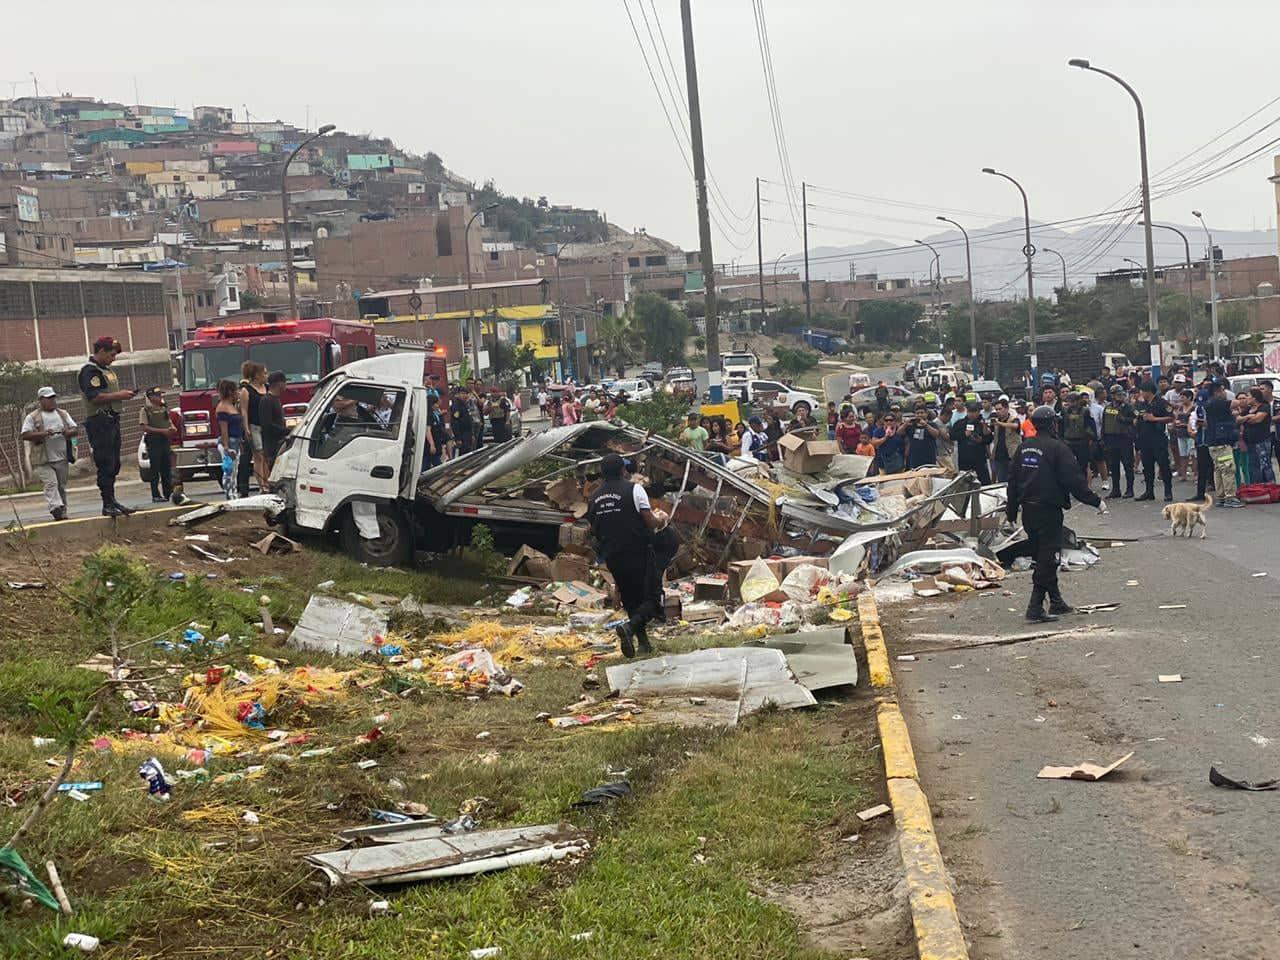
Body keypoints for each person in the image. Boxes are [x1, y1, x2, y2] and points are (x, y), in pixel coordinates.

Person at [1006, 405, 1106, 623]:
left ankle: (1057, 601)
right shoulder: (1058, 448)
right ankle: (1035, 607)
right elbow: (1074, 481)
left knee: (1043, 554)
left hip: (1029, 513)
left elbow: (1012, 482)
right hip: (1048, 512)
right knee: (1047, 559)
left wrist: (1011, 512)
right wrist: (1096, 501)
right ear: (1053, 424)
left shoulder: (1023, 449)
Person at [587, 454, 669, 657]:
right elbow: (649, 521)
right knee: (653, 598)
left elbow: (594, 530)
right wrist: (662, 520)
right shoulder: (634, 489)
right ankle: (630, 628)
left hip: (613, 554)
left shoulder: (594, 498)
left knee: (631, 599)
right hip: (638, 550)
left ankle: (643, 644)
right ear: (622, 471)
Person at [78, 336, 136, 517]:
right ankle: (107, 503)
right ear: (101, 351)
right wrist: (120, 395)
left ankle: (112, 500)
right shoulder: (90, 372)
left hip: (112, 420)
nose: (114, 358)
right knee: (105, 463)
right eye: (111, 354)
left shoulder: (106, 370)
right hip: (100, 422)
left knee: (114, 463)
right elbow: (95, 397)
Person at [21, 386, 77, 521]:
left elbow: (74, 429)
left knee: (61, 486)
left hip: (62, 456)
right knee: (51, 483)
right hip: (43, 459)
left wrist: (67, 432)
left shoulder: (62, 413)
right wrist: (44, 434)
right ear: (41, 400)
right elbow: (25, 434)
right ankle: (55, 507)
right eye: (49, 398)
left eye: (53, 398)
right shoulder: (33, 417)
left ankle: (62, 511)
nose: (52, 401)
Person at [1204, 379, 1244, 507]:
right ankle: (1230, 497)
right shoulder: (1216, 402)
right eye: (1223, 390)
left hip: (1215, 442)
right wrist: (1248, 400)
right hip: (1221, 442)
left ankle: (1221, 496)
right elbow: (1237, 403)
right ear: (1217, 392)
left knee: (1219, 469)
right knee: (1228, 468)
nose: (1225, 393)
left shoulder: (1211, 403)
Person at [1133, 381, 1174, 501]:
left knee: (1163, 465)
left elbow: (1171, 417)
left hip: (1158, 437)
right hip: (1144, 438)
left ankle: (1168, 491)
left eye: (1142, 391)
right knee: (1147, 466)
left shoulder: (1161, 403)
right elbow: (1136, 416)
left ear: (1148, 391)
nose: (1141, 393)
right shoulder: (1141, 404)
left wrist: (1154, 419)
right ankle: (1149, 491)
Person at [139, 387, 178, 503]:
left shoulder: (163, 408)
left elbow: (168, 421)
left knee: (166, 467)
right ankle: (155, 494)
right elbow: (144, 427)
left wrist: (172, 428)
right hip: (153, 440)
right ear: (150, 397)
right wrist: (162, 431)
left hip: (164, 439)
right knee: (155, 468)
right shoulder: (145, 410)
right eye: (157, 395)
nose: (160, 397)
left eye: (160, 395)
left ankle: (168, 492)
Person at [1100, 384, 1136, 499]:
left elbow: (1135, 421)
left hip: (1124, 439)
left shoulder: (1128, 407)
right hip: (1111, 439)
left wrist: (1124, 419)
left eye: (1121, 394)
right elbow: (1104, 423)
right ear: (1112, 396)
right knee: (1113, 466)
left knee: (1127, 465)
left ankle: (1130, 490)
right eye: (1117, 394)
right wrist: (1103, 438)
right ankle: (1116, 490)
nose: (1120, 396)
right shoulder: (1108, 408)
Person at [238, 361, 268, 495]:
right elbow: (243, 410)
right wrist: (246, 428)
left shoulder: (267, 388)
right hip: (254, 426)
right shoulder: (246, 391)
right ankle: (261, 485)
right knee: (258, 456)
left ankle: (268, 482)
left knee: (266, 456)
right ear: (257, 375)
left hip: (266, 426)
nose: (267, 376)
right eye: (265, 373)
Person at [214, 378, 244, 500]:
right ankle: (229, 494)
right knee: (228, 470)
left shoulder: (232, 406)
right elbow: (224, 429)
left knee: (235, 471)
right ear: (231, 392)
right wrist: (226, 447)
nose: (238, 393)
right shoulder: (222, 408)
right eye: (236, 391)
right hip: (228, 441)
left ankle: (234, 493)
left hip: (236, 440)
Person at [950, 399, 993, 483]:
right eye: (970, 411)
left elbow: (990, 438)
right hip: (965, 459)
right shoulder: (960, 423)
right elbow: (952, 435)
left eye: (974, 411)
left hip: (979, 459)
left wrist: (982, 440)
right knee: (965, 483)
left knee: (985, 482)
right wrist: (964, 434)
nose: (972, 414)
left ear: (978, 412)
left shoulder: (983, 423)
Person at [1241, 387, 1275, 484]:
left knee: (1264, 464)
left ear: (1254, 398)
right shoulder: (1248, 409)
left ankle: (1270, 486)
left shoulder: (1264, 407)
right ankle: (1256, 487)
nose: (1247, 398)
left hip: (1262, 441)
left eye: (1248, 396)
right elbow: (1238, 419)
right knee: (1252, 466)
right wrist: (1247, 417)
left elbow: (1256, 419)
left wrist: (1246, 419)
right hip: (1250, 442)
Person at [1061, 390, 1094, 482]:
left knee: (1083, 465)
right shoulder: (1065, 411)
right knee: (1068, 465)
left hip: (1082, 441)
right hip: (1068, 440)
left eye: (1073, 401)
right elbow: (1062, 425)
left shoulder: (1085, 411)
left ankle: (1083, 486)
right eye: (1070, 401)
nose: (1071, 403)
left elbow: (1090, 426)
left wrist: (1091, 438)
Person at [259, 371, 289, 473]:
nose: (286, 385)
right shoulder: (266, 400)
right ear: (279, 384)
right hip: (272, 444)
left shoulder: (276, 399)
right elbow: (267, 424)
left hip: (280, 442)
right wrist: (287, 431)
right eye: (285, 382)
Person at [991, 398, 1021, 483]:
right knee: (1002, 482)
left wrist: (999, 423)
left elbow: (1015, 426)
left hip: (1012, 455)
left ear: (1007, 408)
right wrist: (985, 425)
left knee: (1015, 480)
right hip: (999, 456)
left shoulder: (1013, 419)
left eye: (1000, 409)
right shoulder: (995, 421)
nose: (998, 411)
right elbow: (988, 433)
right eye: (996, 409)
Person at [905, 402, 944, 469]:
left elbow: (936, 434)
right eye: (917, 413)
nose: (920, 415)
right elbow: (899, 433)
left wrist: (926, 425)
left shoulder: (932, 424)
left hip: (929, 456)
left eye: (922, 413)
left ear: (926, 414)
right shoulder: (911, 425)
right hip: (914, 457)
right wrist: (905, 424)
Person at [449, 386, 474, 454]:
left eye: (466, 394)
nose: (464, 395)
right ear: (458, 394)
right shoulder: (456, 405)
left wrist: (471, 435)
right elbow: (455, 422)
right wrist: (458, 438)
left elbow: (469, 421)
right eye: (462, 393)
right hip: (461, 435)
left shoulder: (465, 404)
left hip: (467, 434)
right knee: (463, 454)